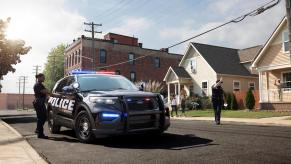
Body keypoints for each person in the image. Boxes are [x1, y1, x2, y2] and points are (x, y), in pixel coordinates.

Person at [33, 73, 49, 139]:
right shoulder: (37, 85)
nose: (44, 78)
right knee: (41, 118)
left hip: (40, 103)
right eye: (43, 77)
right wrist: (47, 91)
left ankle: (38, 129)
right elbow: (44, 91)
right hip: (38, 103)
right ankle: (40, 134)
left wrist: (47, 91)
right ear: (39, 78)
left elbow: (46, 91)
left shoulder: (40, 85)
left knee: (44, 117)